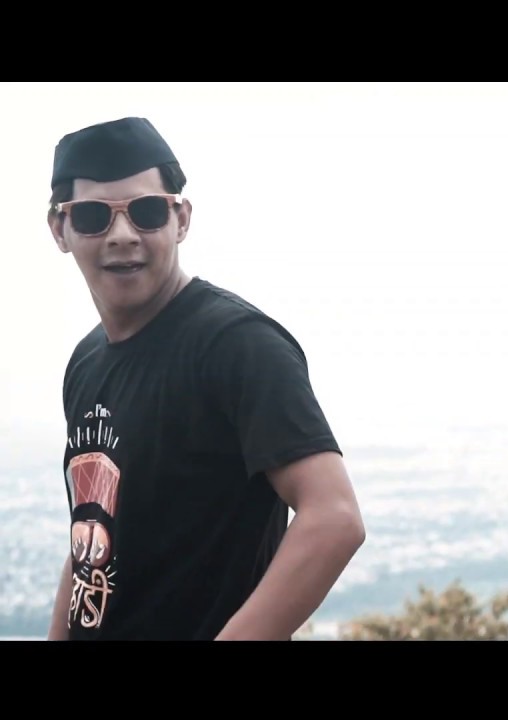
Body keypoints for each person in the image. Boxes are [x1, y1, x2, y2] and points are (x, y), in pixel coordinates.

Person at [44, 116, 366, 640]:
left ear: (181, 219)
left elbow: (334, 518)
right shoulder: (86, 363)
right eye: (93, 216)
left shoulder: (237, 345)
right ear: (60, 229)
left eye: (147, 211)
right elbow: (93, 530)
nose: (122, 235)